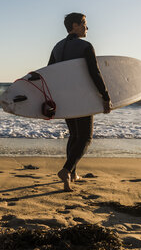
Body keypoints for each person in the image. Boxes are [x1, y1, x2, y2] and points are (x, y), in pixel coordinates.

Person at [48, 12, 111, 192]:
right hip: (82, 98)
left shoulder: (57, 47)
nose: (86, 27)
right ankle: (67, 170)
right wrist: (105, 96)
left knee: (74, 135)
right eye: (84, 23)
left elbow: (50, 74)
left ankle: (73, 174)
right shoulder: (85, 46)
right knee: (86, 137)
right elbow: (95, 74)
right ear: (74, 25)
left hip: (64, 98)